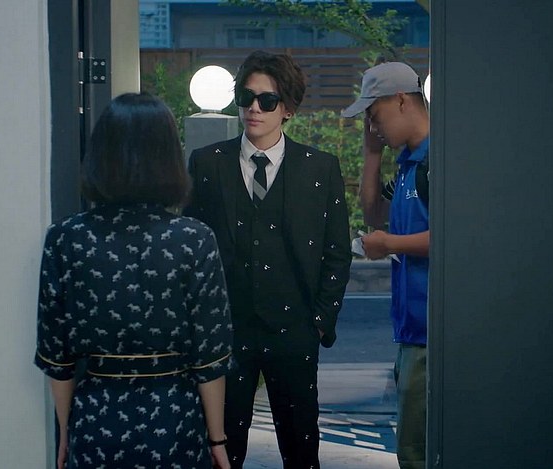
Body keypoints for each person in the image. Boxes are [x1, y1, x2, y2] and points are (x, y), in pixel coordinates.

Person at [34, 92, 234, 469]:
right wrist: (217, 438)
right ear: (168, 158)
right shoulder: (194, 239)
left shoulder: (65, 239)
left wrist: (66, 433)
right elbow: (211, 357)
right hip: (174, 422)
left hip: (95, 422)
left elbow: (56, 358)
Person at [183, 50, 352, 468]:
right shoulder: (207, 163)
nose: (254, 108)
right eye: (246, 97)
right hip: (228, 330)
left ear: (288, 109)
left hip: (295, 330)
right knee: (221, 449)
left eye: (267, 100)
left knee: (301, 449)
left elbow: (336, 251)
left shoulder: (320, 168)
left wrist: (319, 322)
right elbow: (193, 247)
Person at [341, 61, 430, 469]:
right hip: (411, 330)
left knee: (415, 452)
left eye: (375, 115)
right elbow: (376, 213)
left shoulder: (435, 161)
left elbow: (455, 237)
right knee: (411, 447)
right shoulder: (409, 163)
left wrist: (390, 244)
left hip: (432, 333)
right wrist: (372, 153)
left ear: (401, 101)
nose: (373, 126)